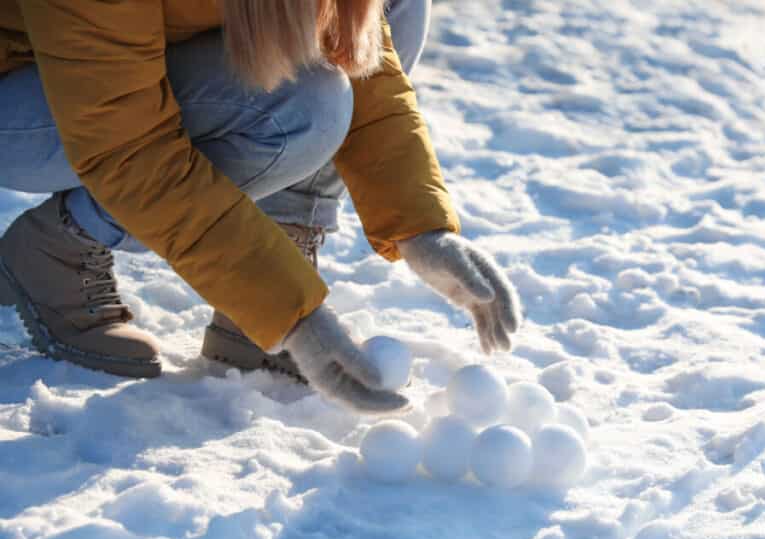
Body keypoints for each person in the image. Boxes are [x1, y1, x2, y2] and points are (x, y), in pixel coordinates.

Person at [0, 0, 521, 414]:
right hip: (28, 84)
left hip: (136, 54)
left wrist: (422, 228)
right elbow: (130, 150)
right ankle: (60, 244)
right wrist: (289, 312)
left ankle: (274, 255)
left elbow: (357, 49)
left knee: (394, 9)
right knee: (304, 106)